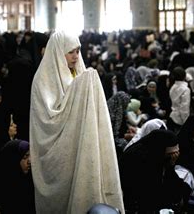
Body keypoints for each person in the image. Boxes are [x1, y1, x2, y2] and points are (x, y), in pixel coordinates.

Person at [29, 30, 124, 214]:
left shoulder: (78, 74)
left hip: (82, 141)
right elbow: (49, 120)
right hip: (60, 153)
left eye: (78, 51)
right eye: (71, 51)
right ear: (58, 52)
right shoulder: (42, 81)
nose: (75, 56)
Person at [0, 140, 35, 214]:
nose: (29, 161)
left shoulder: (26, 179)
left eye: (30, 156)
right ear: (13, 159)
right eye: (25, 157)